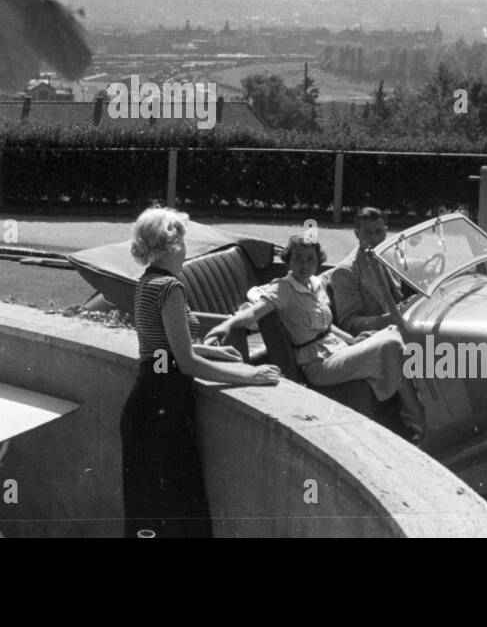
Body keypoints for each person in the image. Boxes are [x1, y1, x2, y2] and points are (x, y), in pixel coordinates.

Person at [120, 207, 281, 539]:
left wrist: (213, 350)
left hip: (148, 399)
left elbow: (161, 346)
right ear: (167, 245)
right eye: (181, 241)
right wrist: (248, 375)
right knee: (176, 508)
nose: (185, 248)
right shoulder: (170, 288)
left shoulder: (148, 281)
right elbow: (186, 362)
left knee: (149, 509)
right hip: (163, 405)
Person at [203, 233, 421, 435]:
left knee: (395, 331)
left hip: (338, 349)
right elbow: (252, 313)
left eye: (309, 259)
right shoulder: (283, 290)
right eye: (297, 258)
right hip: (318, 365)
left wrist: (353, 340)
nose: (303, 265)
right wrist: (226, 325)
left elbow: (326, 326)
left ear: (318, 262)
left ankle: (417, 407)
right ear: (287, 260)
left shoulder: (315, 284)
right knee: (390, 344)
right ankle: (415, 418)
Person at [330, 207, 406, 336]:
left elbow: (410, 265)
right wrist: (385, 321)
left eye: (378, 231)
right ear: (357, 233)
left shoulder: (387, 255)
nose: (374, 238)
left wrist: (429, 266)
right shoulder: (346, 272)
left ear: (386, 232)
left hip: (403, 324)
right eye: (367, 232)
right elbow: (348, 323)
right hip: (376, 337)